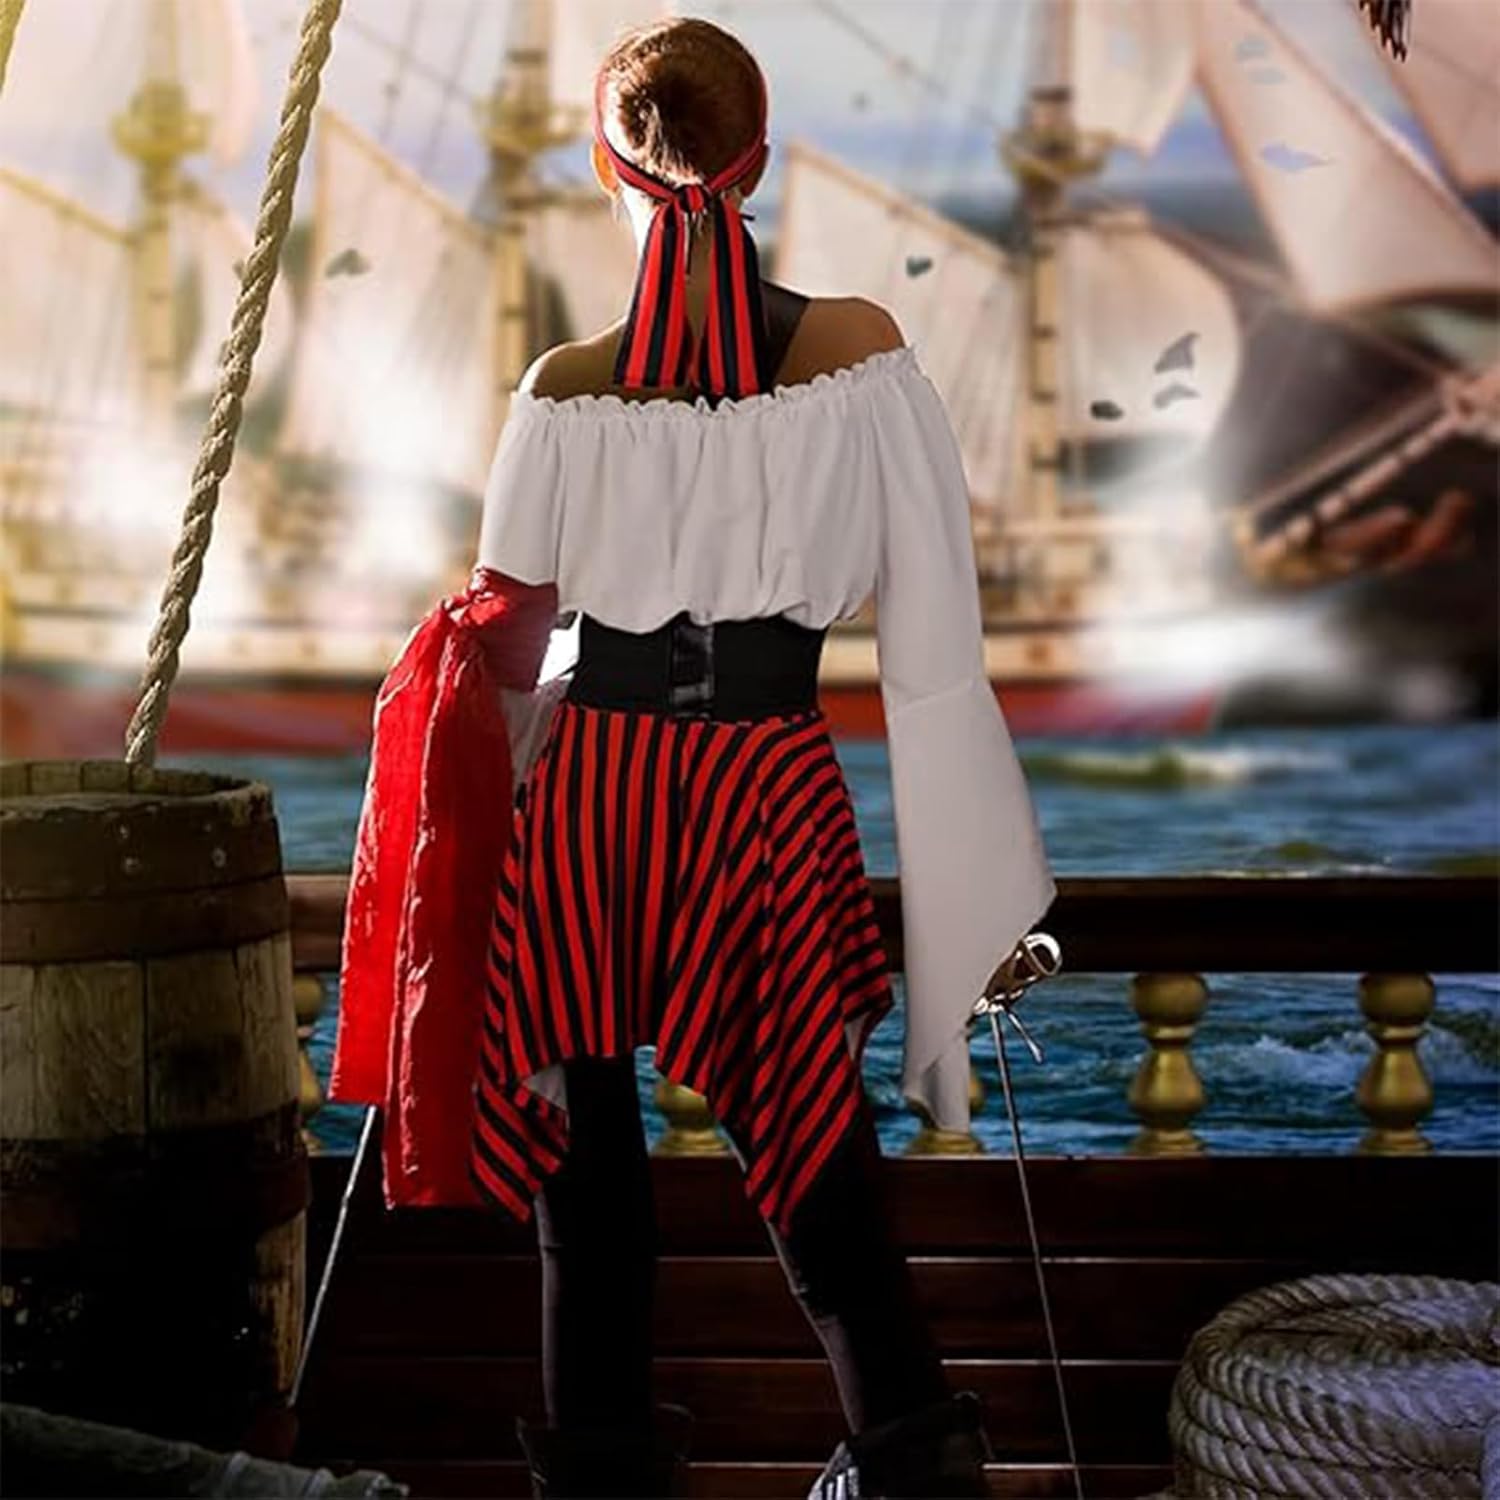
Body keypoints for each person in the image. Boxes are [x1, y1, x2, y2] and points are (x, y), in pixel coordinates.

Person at [333, 15, 1055, 1500]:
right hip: (765, 787)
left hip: (588, 796)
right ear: (760, 161)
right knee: (817, 1154)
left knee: (585, 1191)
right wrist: (982, 887)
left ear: (609, 170)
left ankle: (599, 1488)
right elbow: (934, 656)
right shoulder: (865, 355)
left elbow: (508, 654)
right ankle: (916, 1476)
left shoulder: (561, 388)